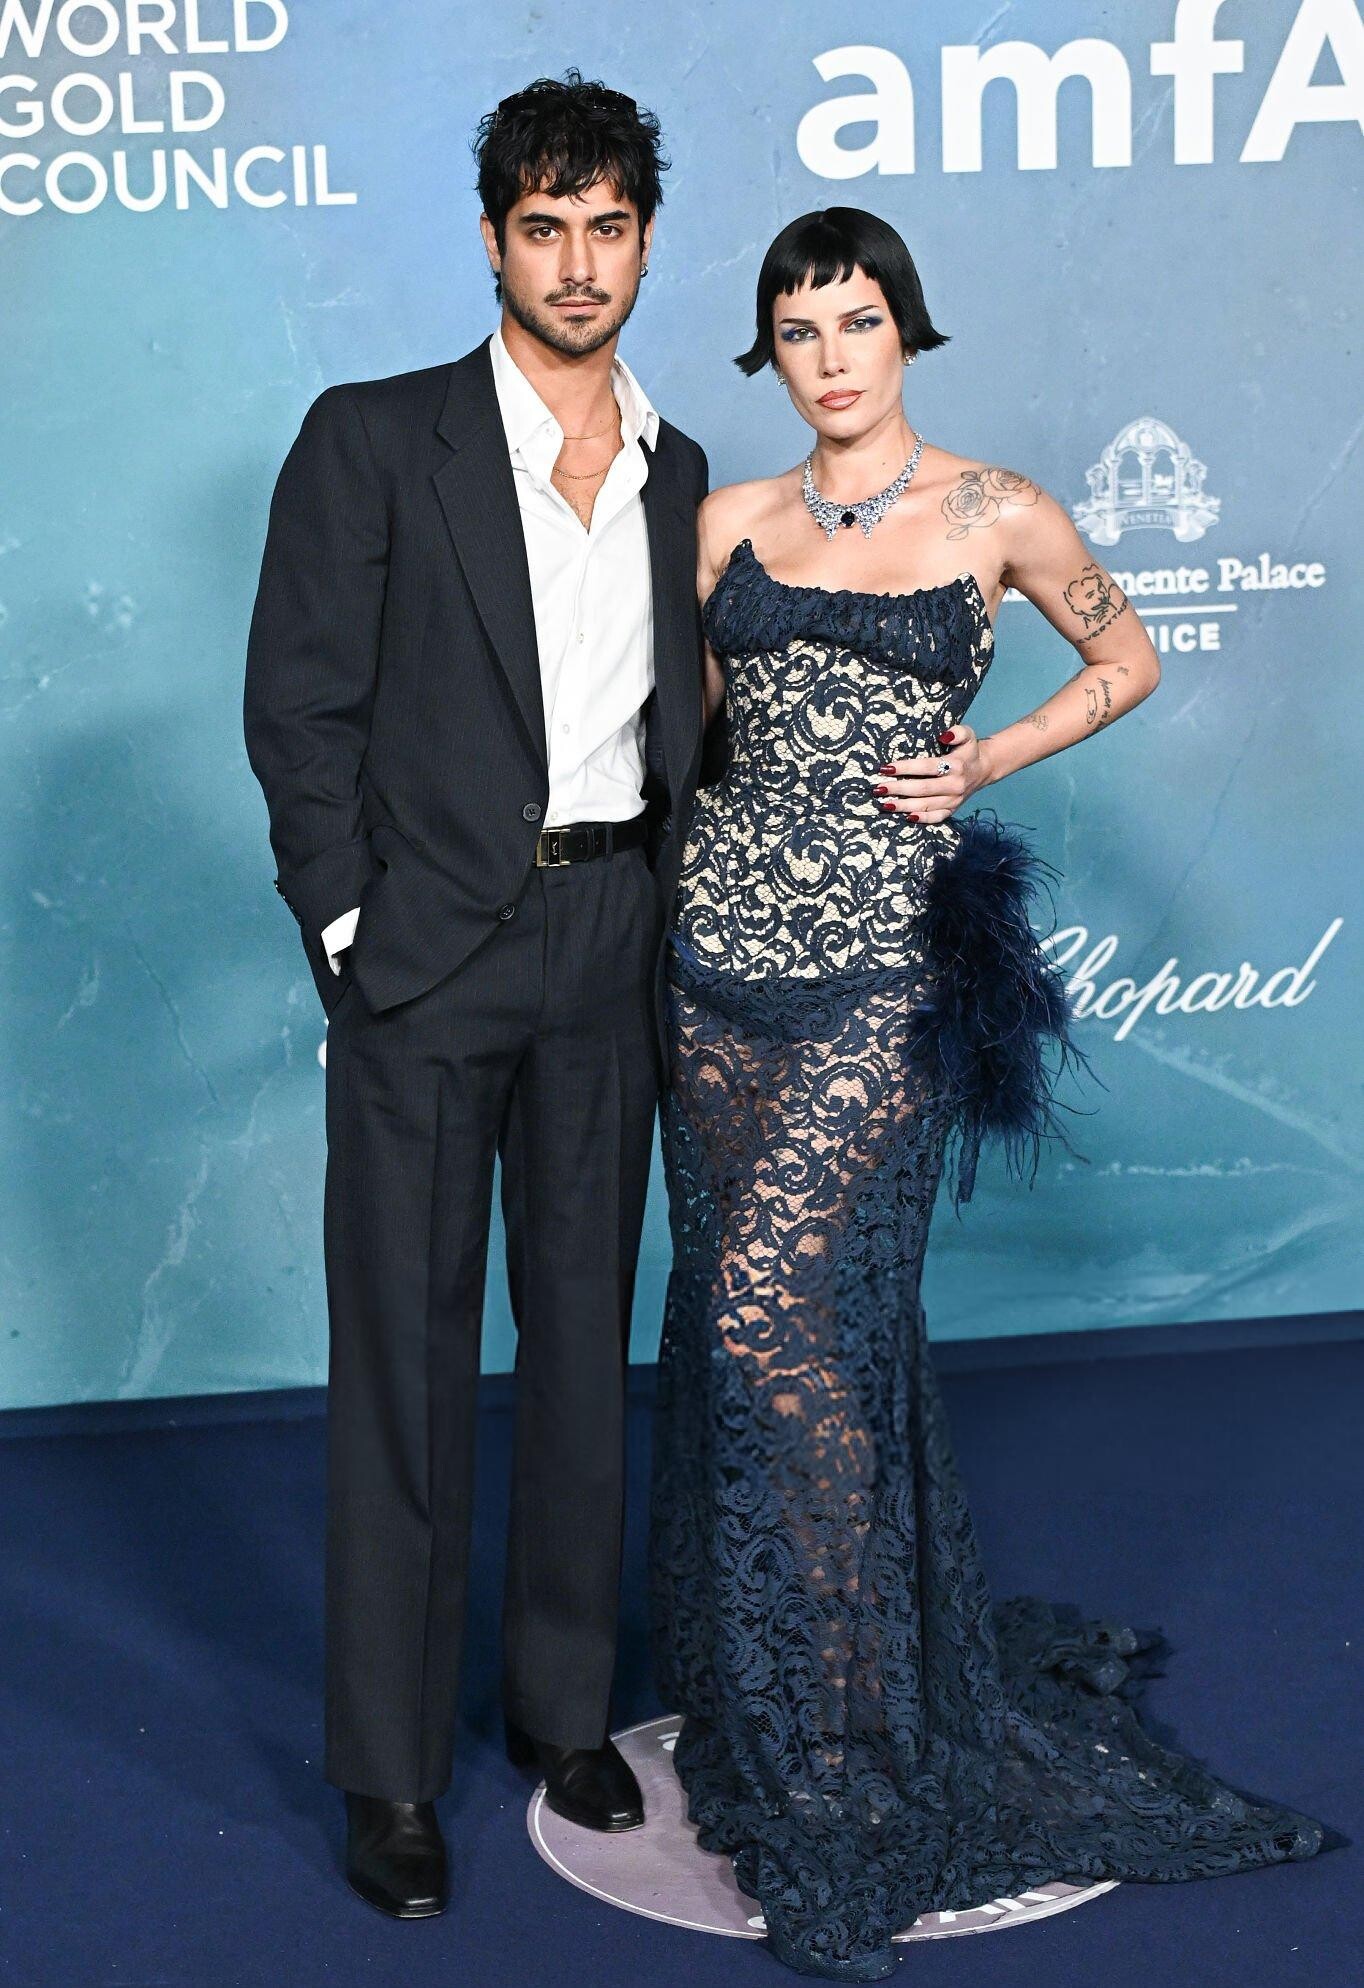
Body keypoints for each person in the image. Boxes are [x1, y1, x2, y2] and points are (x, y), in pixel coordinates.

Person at [647, 206, 1328, 1981]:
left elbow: (1130, 657)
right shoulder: (725, 522)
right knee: (740, 1334)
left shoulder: (999, 509)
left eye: (860, 322)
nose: (833, 357)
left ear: (908, 332)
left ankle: (849, 1741)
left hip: (882, 977)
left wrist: (992, 756)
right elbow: (683, 747)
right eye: (801, 330)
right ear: (774, 353)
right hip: (711, 975)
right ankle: (770, 1686)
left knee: (782, 1325)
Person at [243, 71, 709, 1920]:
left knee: (586, 1350)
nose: (578, 262)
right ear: (496, 239)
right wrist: (352, 929)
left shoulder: (682, 470)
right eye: (545, 227)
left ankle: (563, 1709)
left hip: (611, 946)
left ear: (645, 241)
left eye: (608, 227)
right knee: (409, 1370)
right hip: (426, 960)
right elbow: (299, 707)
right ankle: (389, 1773)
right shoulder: (375, 438)